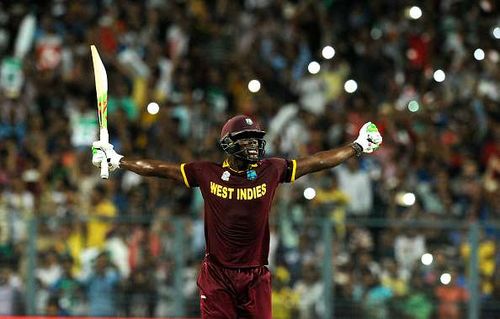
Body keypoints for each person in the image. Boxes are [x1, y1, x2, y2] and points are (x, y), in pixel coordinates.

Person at [91, 114, 382, 318]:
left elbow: (316, 161)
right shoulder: (206, 172)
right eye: (246, 139)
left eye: (256, 139)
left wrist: (356, 146)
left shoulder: (271, 169)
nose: (254, 144)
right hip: (217, 275)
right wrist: (118, 160)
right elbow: (160, 169)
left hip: (256, 276)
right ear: (228, 143)